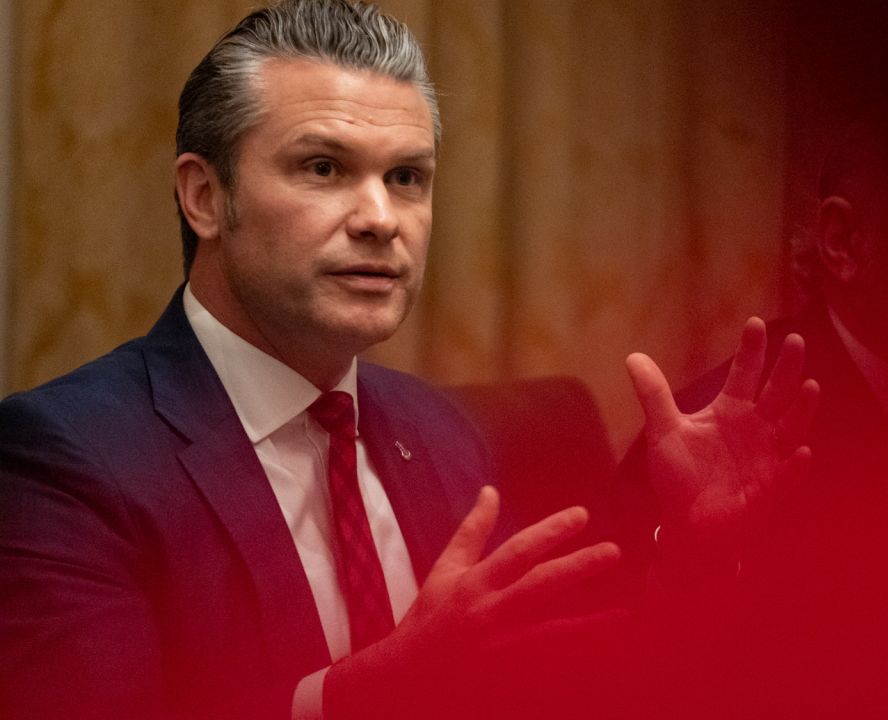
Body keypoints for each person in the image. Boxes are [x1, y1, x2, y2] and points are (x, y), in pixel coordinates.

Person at [0, 2, 817, 719]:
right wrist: (366, 697)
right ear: (206, 197)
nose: (381, 218)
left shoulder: (442, 432)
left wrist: (694, 555)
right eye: (323, 168)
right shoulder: (62, 460)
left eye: (407, 177)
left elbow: (574, 698)